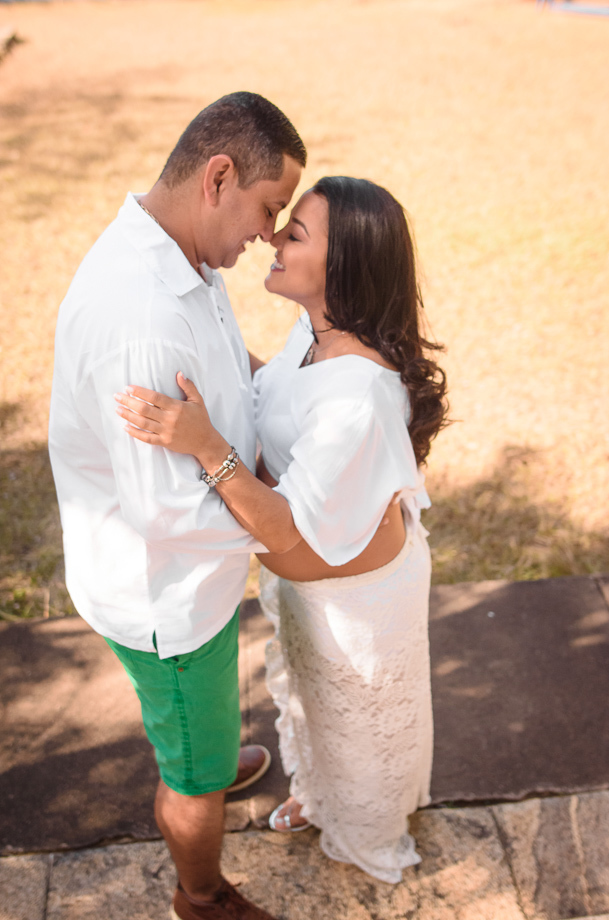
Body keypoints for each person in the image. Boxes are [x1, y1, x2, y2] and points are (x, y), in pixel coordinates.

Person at [114, 176, 449, 884]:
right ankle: (321, 794)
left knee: (362, 731)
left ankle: (368, 834)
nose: (271, 236)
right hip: (313, 591)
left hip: (359, 607)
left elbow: (284, 519)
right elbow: (284, 398)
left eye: (294, 233)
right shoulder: (315, 331)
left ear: (343, 267)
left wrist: (207, 446)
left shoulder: (359, 394)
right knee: (317, 712)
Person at [49, 92, 306, 920]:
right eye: (269, 209)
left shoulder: (175, 247)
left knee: (202, 730)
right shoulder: (144, 320)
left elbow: (221, 362)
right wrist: (284, 531)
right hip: (166, 592)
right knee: (189, 777)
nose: (270, 232)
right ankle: (201, 894)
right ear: (218, 177)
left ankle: (209, 747)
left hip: (192, 575)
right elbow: (167, 516)